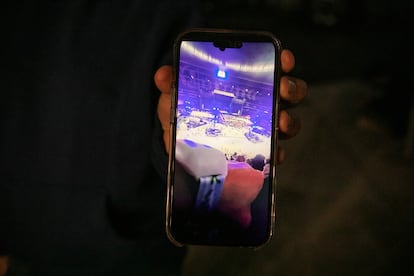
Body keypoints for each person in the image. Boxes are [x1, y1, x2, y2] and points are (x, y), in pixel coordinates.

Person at [1, 1, 307, 275]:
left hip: (120, 244)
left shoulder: (163, 19)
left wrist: (170, 149)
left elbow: (169, 102)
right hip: (31, 231)